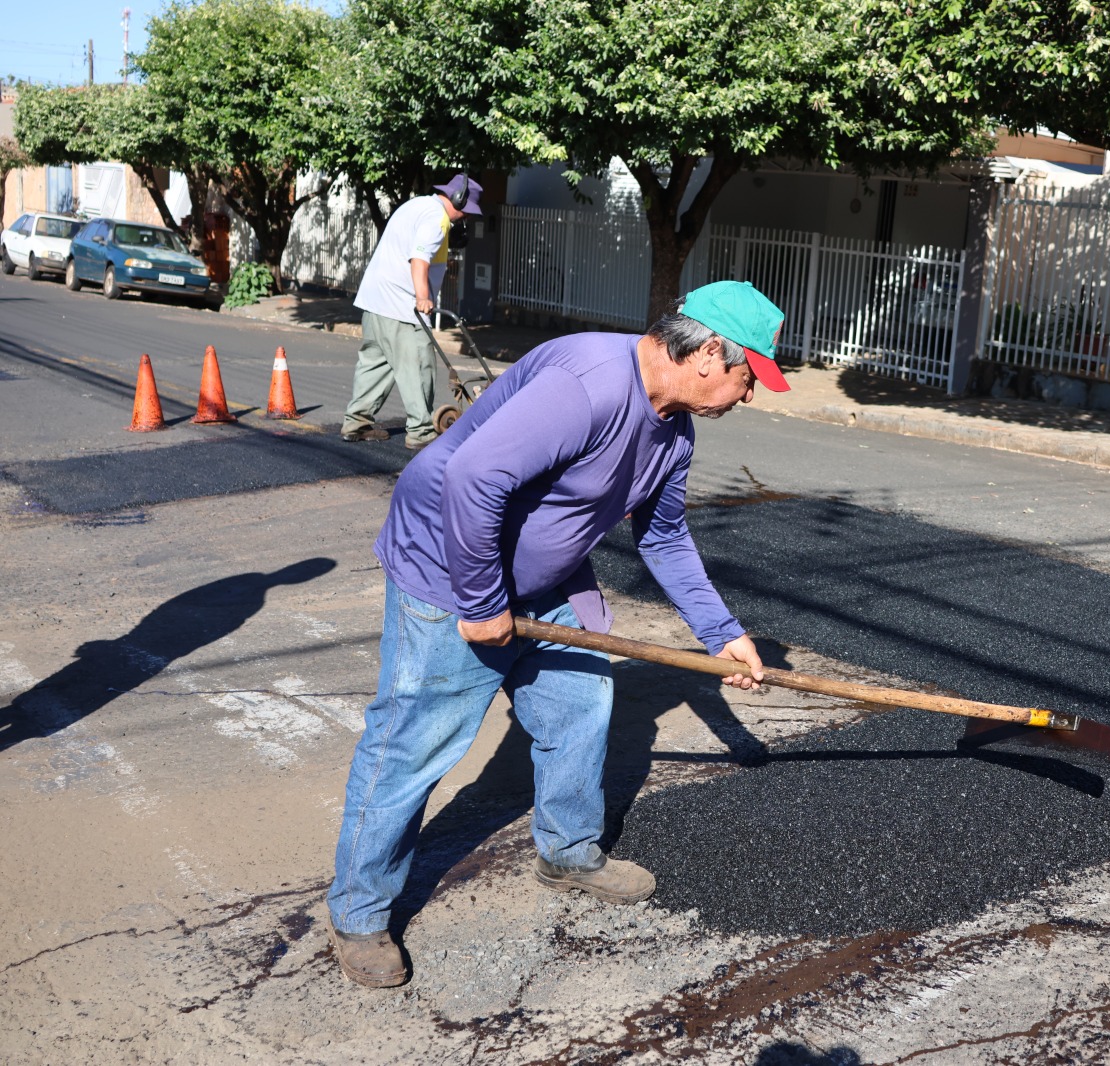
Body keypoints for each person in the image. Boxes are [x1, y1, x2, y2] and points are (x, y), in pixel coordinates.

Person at [326, 280, 793, 988]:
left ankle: (568, 853)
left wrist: (719, 632)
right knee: (413, 742)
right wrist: (481, 600)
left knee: (579, 705)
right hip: (450, 569)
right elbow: (470, 479)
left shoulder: (673, 432)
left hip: (545, 581)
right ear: (704, 355)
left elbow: (663, 535)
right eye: (746, 376)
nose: (749, 394)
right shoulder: (590, 386)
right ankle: (360, 915)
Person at [341, 173, 482, 450]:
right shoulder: (436, 218)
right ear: (458, 199)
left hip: (375, 301)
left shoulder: (415, 206)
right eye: (466, 212)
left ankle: (356, 422)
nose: (465, 219)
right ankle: (420, 431)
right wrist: (423, 298)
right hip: (401, 306)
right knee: (419, 364)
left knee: (376, 364)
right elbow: (418, 259)